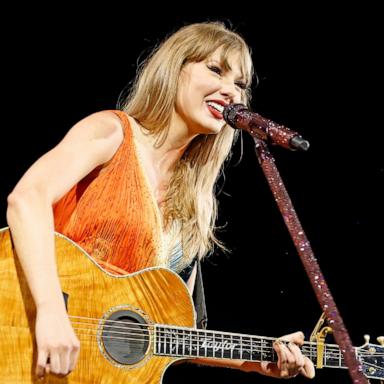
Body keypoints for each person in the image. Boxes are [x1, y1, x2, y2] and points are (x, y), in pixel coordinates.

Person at [6, 21, 315, 380]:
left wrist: (256, 361)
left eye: (240, 85)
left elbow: (174, 335)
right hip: (24, 342)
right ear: (174, 69)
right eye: (215, 70)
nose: (231, 92)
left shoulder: (196, 204)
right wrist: (51, 313)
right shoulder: (111, 133)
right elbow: (27, 198)